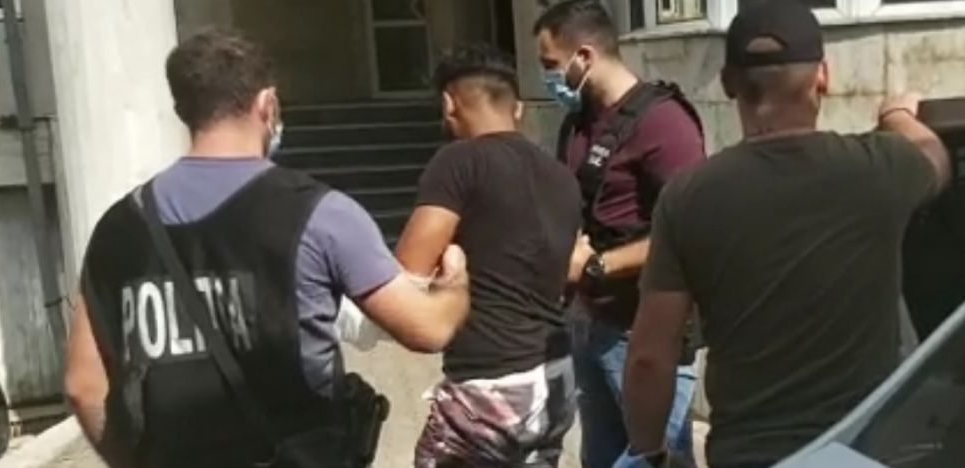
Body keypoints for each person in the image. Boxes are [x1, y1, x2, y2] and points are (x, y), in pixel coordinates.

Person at [64, 30, 470, 468]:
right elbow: (426, 329)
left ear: (183, 110)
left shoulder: (119, 228)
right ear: (267, 104)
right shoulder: (320, 214)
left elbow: (83, 386)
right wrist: (455, 285)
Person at [622, 2, 951, 467]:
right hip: (856, 452)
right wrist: (897, 113)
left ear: (728, 82)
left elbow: (649, 357)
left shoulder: (687, 197)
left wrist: (649, 452)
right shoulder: (879, 169)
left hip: (749, 456)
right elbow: (936, 157)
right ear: (824, 77)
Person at [533, 2, 706, 466]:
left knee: (657, 458)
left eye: (551, 64)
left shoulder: (664, 124)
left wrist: (596, 265)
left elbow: (694, 229)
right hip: (592, 324)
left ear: (584, 56)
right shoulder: (580, 121)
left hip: (645, 332)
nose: (547, 77)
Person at [395, 43, 582, 467]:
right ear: (517, 109)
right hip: (553, 375)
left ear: (448, 104)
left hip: (487, 386)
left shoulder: (458, 162)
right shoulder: (560, 175)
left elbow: (408, 274)